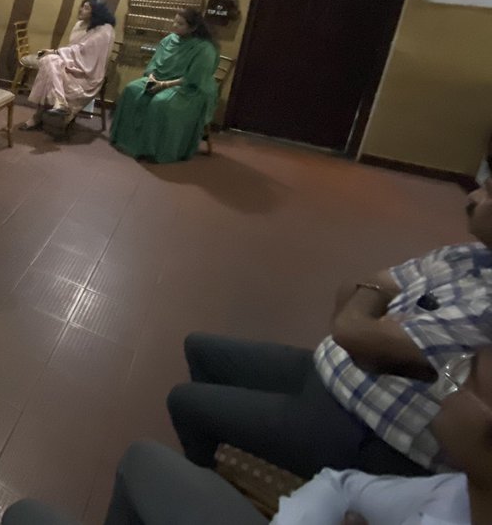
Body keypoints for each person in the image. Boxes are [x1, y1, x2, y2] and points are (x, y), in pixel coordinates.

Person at [164, 178, 492, 481]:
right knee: (199, 348)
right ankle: (222, 458)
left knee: (185, 402)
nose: (473, 196)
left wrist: (370, 321)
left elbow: (356, 332)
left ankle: (204, 485)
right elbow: (357, 292)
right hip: (332, 370)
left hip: (366, 434)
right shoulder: (469, 256)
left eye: (489, 191)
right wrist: (367, 329)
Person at [87, 347, 492, 525]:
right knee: (199, 353)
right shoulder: (457, 490)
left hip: (346, 427)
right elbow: (340, 485)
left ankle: (202, 473)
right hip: (326, 373)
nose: (448, 376)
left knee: (149, 448)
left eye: (470, 377)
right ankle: (204, 475)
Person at [110, 7, 219, 163]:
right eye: (174, 21)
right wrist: (153, 78)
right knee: (131, 90)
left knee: (161, 103)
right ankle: (126, 140)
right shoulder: (170, 39)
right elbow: (154, 63)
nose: (174, 25)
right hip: (160, 79)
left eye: (180, 24)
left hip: (190, 88)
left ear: (193, 28)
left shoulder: (204, 48)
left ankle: (153, 150)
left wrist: (164, 84)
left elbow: (194, 78)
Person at [19, 0, 116, 131]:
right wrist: (55, 53)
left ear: (96, 12)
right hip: (73, 66)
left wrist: (55, 51)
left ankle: (39, 115)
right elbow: (74, 50)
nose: (81, 9)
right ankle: (59, 103)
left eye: (86, 8)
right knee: (49, 61)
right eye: (82, 6)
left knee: (50, 65)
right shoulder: (80, 25)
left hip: (88, 75)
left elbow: (83, 51)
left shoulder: (105, 30)